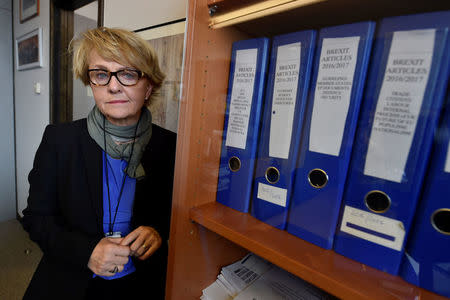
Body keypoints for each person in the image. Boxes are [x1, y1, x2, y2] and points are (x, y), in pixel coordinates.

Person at [21, 27, 176, 300]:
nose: (113, 86)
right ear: (91, 83)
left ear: (149, 85)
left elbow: (174, 215)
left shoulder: (171, 146)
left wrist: (158, 232)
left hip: (143, 283)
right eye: (101, 74)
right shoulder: (60, 140)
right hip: (72, 280)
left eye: (128, 73)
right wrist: (87, 251)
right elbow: (36, 219)